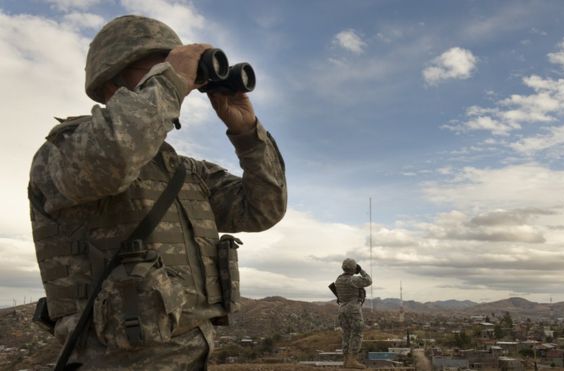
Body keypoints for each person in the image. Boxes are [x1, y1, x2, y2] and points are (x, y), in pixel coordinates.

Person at [27, 15, 287, 370]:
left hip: (195, 354)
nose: (179, 79)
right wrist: (170, 81)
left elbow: (262, 210)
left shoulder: (187, 171)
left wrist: (246, 134)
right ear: (110, 77)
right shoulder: (67, 150)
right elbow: (114, 156)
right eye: (157, 67)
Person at [334, 258, 372, 369]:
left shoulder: (338, 279)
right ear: (353, 268)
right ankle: (352, 360)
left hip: (342, 308)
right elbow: (369, 281)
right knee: (357, 333)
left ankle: (346, 361)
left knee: (346, 333)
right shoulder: (353, 280)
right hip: (353, 309)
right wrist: (361, 271)